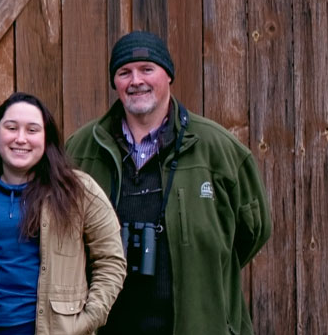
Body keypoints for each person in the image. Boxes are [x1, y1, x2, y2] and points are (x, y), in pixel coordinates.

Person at [64, 31, 270, 335]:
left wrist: (201, 267)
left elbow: (254, 229)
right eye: (124, 73)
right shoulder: (81, 148)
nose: (136, 81)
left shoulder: (218, 148)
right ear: (115, 84)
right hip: (109, 324)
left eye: (147, 69)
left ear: (168, 76)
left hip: (196, 323)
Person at [0, 93, 126, 335]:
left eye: (32, 130)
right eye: (11, 128)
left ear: (46, 138)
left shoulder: (79, 190)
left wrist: (87, 319)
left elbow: (111, 260)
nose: (20, 139)